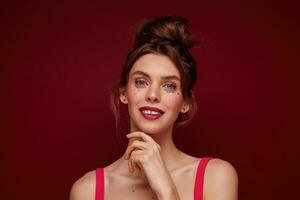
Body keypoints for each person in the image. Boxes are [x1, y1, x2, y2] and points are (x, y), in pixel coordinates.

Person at [70, 16, 238, 200]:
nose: (153, 95)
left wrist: (166, 190)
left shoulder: (216, 177)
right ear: (123, 93)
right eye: (141, 82)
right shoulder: (88, 191)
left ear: (185, 103)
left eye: (169, 85)